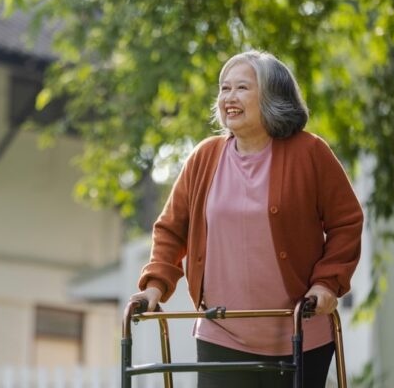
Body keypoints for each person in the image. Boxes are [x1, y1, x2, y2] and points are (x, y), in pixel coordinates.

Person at [129, 50, 363, 388]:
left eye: (242, 88)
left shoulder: (310, 153)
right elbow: (171, 229)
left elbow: (346, 222)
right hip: (221, 333)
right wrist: (154, 287)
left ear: (271, 97)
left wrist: (326, 283)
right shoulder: (204, 157)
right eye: (224, 89)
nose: (229, 97)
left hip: (298, 331)